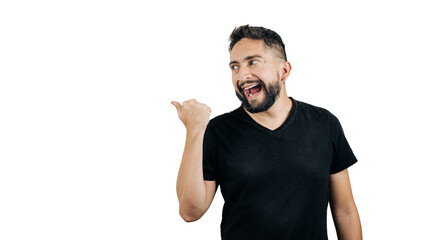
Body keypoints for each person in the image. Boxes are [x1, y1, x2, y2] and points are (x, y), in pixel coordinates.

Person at [172, 25, 362, 240]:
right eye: (235, 66)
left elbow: (345, 211)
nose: (242, 75)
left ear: (284, 71)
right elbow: (190, 211)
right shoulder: (218, 131)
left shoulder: (324, 124)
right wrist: (194, 131)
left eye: (252, 62)